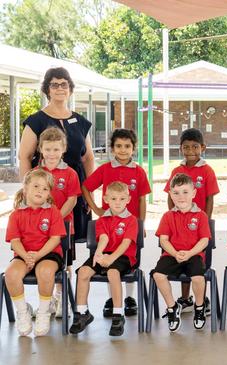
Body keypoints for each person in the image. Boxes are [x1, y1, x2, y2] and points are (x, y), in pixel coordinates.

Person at [18, 67, 94, 244]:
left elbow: (88, 158)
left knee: (69, 238)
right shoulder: (36, 121)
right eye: (54, 84)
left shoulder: (81, 121)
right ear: (47, 90)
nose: (60, 88)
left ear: (70, 89)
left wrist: (89, 193)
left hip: (74, 188)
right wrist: (27, 192)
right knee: (43, 235)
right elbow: (25, 157)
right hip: (45, 188)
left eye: (64, 84)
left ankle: (66, 270)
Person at [82, 129, 151, 318]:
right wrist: (96, 209)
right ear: (112, 148)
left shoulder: (139, 171)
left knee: (129, 262)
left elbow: (142, 200)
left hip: (130, 226)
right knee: (106, 262)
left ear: (133, 149)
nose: (123, 150)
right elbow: (86, 187)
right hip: (109, 225)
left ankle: (129, 298)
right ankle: (112, 299)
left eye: (127, 146)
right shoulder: (105, 169)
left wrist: (142, 223)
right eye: (118, 146)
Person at [70, 182, 138, 336]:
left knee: (112, 273)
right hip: (105, 253)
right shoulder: (102, 219)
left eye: (122, 199)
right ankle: (82, 313)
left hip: (124, 256)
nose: (118, 202)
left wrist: (111, 258)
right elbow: (104, 238)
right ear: (106, 199)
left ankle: (118, 315)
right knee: (83, 272)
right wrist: (99, 254)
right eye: (113, 199)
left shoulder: (131, 220)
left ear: (128, 199)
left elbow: (126, 243)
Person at [4, 169, 67, 336]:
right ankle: (23, 311)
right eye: (36, 186)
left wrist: (37, 256)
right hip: (24, 254)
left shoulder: (53, 211)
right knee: (10, 274)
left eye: (45, 188)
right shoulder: (16, 215)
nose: (40, 190)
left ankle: (43, 312)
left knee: (45, 271)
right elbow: (15, 241)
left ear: (49, 193)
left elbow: (55, 239)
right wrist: (26, 256)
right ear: (25, 189)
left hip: (49, 254)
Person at [164, 128, 219, 315]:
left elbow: (210, 198)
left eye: (195, 147)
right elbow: (170, 196)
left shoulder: (207, 170)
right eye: (186, 147)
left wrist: (207, 219)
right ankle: (185, 299)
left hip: (199, 224)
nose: (190, 151)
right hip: (180, 223)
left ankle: (201, 300)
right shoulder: (177, 170)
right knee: (181, 256)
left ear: (202, 147)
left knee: (195, 261)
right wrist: (172, 215)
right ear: (181, 148)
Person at [153, 173, 211, 332]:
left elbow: (204, 241)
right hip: (172, 255)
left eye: (185, 192)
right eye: (176, 193)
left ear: (193, 193)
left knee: (198, 278)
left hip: (194, 255)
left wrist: (190, 253)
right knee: (158, 275)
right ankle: (172, 307)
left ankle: (199, 307)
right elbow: (164, 240)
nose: (181, 197)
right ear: (171, 194)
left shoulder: (201, 216)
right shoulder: (167, 216)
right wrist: (175, 253)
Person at [34, 127, 80, 317]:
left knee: (64, 264)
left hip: (64, 227)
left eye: (56, 149)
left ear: (63, 149)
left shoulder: (70, 173)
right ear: (40, 149)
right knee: (42, 264)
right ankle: (47, 302)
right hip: (40, 230)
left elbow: (72, 199)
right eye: (47, 149)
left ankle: (62, 299)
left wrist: (56, 219)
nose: (51, 154)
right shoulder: (36, 172)